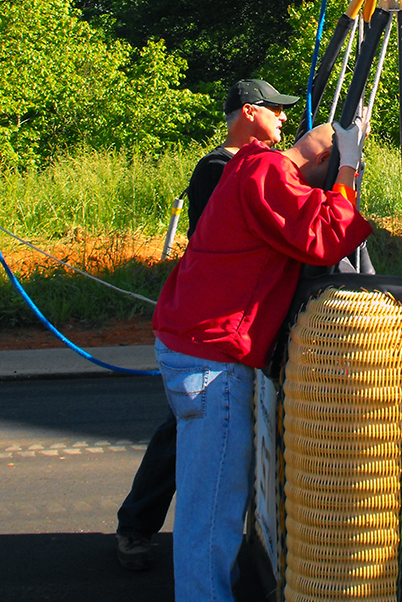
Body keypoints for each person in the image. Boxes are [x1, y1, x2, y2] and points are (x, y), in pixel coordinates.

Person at [153, 115, 372, 602]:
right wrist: (348, 173)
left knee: (206, 500)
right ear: (322, 159)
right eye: (330, 171)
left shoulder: (250, 163)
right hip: (213, 359)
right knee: (213, 511)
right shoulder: (269, 175)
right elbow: (327, 236)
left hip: (191, 346)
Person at [115, 78, 298, 571]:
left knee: (198, 432)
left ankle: (178, 536)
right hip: (211, 326)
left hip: (226, 325)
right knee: (188, 432)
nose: (284, 116)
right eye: (275, 108)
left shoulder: (250, 164)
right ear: (249, 111)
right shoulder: (221, 168)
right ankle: (138, 526)